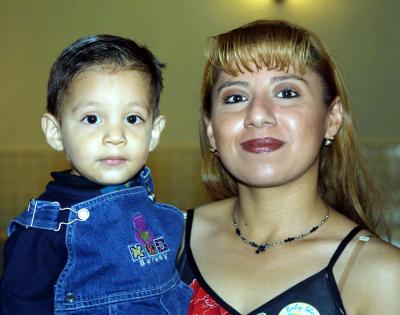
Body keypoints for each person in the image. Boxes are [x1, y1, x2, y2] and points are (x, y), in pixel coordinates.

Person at [178, 20, 400, 315]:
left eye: (286, 93)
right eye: (235, 97)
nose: (257, 115)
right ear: (210, 130)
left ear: (332, 119)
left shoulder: (381, 275)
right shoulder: (166, 240)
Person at [0, 34, 192, 314]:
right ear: (56, 133)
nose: (115, 136)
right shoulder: (46, 227)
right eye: (92, 119)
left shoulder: (155, 210)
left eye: (132, 118)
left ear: (154, 133)